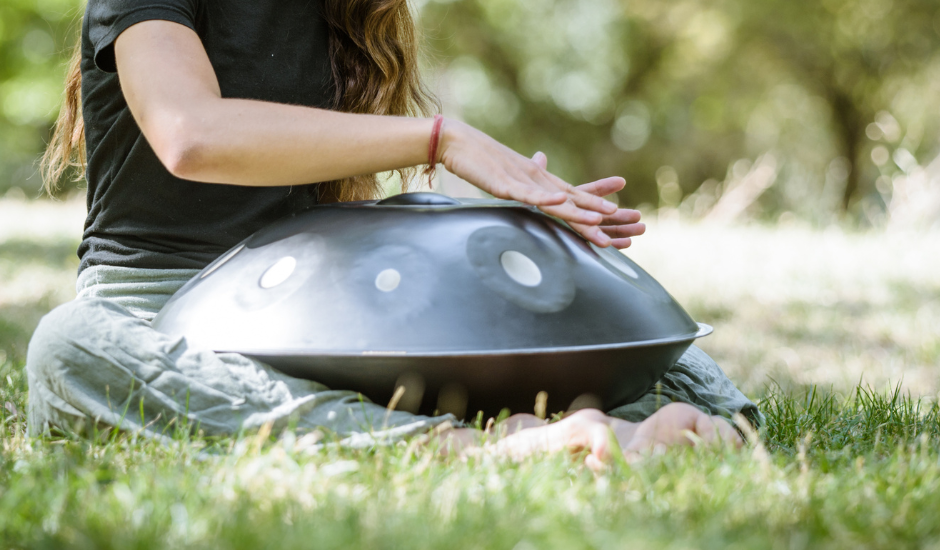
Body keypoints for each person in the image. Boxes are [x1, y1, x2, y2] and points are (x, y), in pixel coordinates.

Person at [26, 0, 757, 462]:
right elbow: (190, 135)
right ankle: (470, 446)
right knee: (67, 347)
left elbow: (344, 223)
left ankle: (657, 425)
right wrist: (441, 139)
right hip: (156, 315)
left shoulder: (358, 13)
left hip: (311, 320)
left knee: (617, 333)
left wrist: (521, 226)